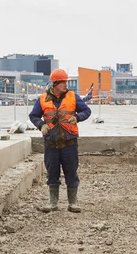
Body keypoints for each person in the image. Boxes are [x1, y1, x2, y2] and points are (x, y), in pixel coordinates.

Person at [29, 69, 91, 213]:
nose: (66, 85)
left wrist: (78, 117)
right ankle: (53, 203)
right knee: (52, 173)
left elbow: (86, 111)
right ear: (55, 83)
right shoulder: (43, 99)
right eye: (63, 82)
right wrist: (41, 125)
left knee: (71, 172)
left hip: (69, 143)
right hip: (51, 144)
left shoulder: (73, 97)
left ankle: (73, 203)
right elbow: (34, 116)